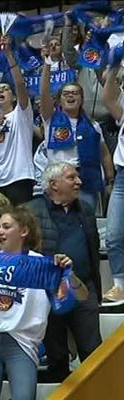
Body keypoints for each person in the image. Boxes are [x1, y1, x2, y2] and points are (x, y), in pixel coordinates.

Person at [0, 206, 82, 399]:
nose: (0, 232)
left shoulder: (42, 265)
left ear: (23, 231)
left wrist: (69, 274)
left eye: (6, 226)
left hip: (21, 343)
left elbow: (82, 296)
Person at [26, 162, 102, 382]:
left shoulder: (86, 210)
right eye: (71, 178)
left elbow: (93, 249)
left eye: (77, 177)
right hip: (49, 292)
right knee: (57, 355)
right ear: (54, 184)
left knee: (93, 352)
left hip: (83, 289)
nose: (78, 181)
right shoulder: (31, 211)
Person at [40, 46, 113, 212]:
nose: (70, 96)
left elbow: (105, 153)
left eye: (75, 93)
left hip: (86, 181)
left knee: (86, 227)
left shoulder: (93, 126)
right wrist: (47, 64)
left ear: (81, 99)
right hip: (58, 182)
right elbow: (44, 93)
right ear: (59, 100)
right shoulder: (50, 119)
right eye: (66, 93)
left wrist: (110, 181)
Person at [0, 36, 35, 205]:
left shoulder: (22, 114)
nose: (0, 91)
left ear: (13, 97)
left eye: (5, 89)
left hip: (19, 178)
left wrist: (9, 56)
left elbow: (19, 84)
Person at [103, 61, 124, 303]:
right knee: (115, 234)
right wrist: (114, 63)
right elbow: (108, 99)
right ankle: (119, 285)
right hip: (122, 177)